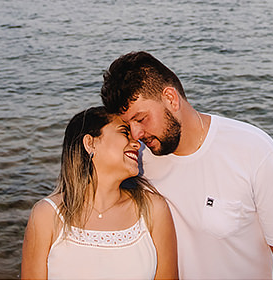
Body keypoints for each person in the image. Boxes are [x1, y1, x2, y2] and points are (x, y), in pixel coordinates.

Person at [101, 51, 273, 280]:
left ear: (171, 99)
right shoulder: (135, 162)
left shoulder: (254, 150)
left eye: (140, 119)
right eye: (127, 125)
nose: (136, 134)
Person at [21, 106, 178, 280]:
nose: (137, 143)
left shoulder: (153, 209)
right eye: (124, 133)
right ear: (90, 143)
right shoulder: (47, 215)